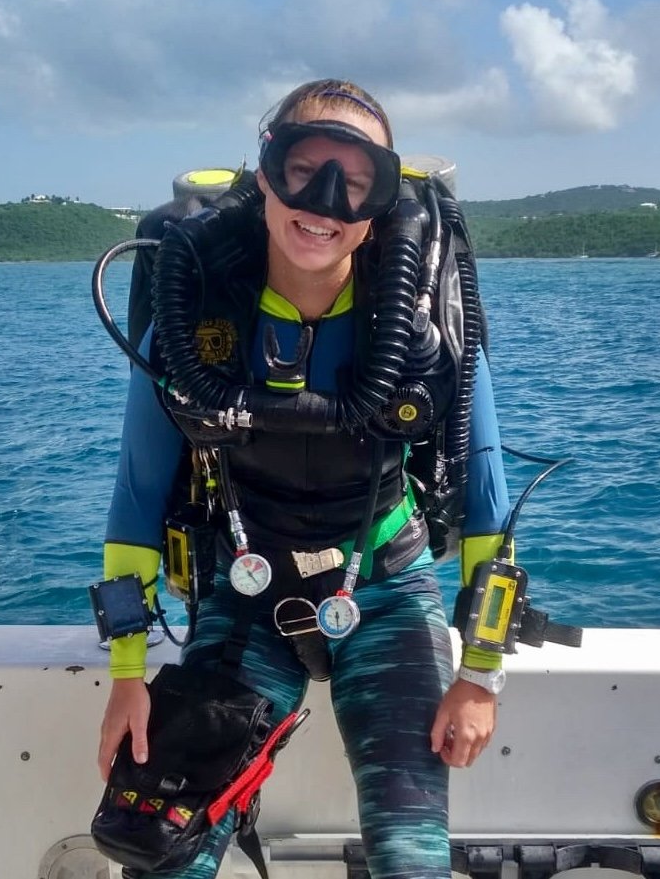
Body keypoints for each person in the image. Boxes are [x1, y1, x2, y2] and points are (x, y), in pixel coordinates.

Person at [97, 78, 512, 879]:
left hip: (386, 588)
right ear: (264, 174)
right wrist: (126, 677)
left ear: (379, 204)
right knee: (163, 858)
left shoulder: (421, 313)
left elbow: (486, 497)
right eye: (302, 168)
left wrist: (480, 676)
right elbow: (136, 499)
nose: (322, 202)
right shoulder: (197, 311)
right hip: (246, 594)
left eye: (354, 182)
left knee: (410, 858)